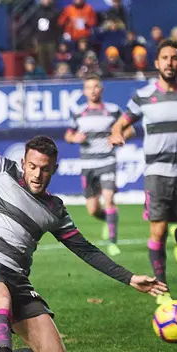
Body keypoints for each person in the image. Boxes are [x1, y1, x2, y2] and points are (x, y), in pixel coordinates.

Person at [0, 78, 168, 352]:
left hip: (17, 278)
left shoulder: (54, 210)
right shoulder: (0, 169)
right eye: (33, 167)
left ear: (54, 169)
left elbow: (86, 250)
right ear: (23, 163)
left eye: (45, 169)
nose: (38, 174)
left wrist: (130, 278)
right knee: (1, 300)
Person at [109, 39, 177, 290]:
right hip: (157, 174)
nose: (169, 63)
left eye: (174, 58)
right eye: (165, 58)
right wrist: (116, 133)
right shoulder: (143, 96)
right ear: (157, 63)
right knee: (158, 231)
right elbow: (121, 123)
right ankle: (162, 287)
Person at [64, 75, 132, 256]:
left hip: (107, 161)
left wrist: (119, 137)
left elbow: (129, 129)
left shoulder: (113, 110)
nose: (93, 90)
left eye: (96, 86)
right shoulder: (79, 112)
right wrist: (75, 138)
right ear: (84, 91)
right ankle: (108, 221)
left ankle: (112, 242)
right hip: (88, 165)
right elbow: (68, 135)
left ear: (102, 89)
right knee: (93, 209)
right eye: (89, 87)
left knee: (109, 199)